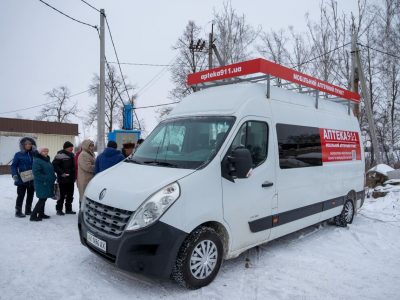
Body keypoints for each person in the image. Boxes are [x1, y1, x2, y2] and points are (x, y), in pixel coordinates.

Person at [11, 137, 37, 218]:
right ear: (23, 145)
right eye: (26, 144)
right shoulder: (18, 154)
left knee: (30, 195)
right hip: (22, 178)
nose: (28, 145)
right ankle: (18, 211)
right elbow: (13, 166)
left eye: (30, 144)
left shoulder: (35, 154)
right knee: (21, 195)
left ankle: (28, 210)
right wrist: (14, 174)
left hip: (32, 178)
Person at [30, 147, 56, 221]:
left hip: (47, 182)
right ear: (40, 152)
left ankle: (41, 214)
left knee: (44, 198)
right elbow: (36, 173)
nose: (46, 153)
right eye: (44, 151)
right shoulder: (37, 160)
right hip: (42, 183)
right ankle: (33, 216)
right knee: (42, 199)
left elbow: (49, 170)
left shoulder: (46, 160)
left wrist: (53, 176)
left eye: (47, 151)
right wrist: (46, 178)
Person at [53, 141, 76, 216]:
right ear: (66, 147)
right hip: (62, 179)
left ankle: (68, 209)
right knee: (61, 195)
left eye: (72, 147)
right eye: (70, 147)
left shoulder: (72, 155)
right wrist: (61, 173)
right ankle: (59, 210)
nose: (72, 148)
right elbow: (55, 166)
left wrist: (74, 176)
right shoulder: (59, 155)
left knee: (70, 195)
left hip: (71, 179)